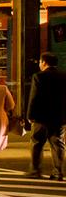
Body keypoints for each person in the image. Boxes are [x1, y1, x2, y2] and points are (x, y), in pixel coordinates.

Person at [26, 51, 66, 179]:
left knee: (37, 143)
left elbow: (34, 97)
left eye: (40, 62)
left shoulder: (38, 76)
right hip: (59, 116)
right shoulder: (63, 76)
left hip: (41, 116)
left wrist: (30, 114)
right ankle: (58, 172)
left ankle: (35, 170)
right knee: (57, 143)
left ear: (44, 62)